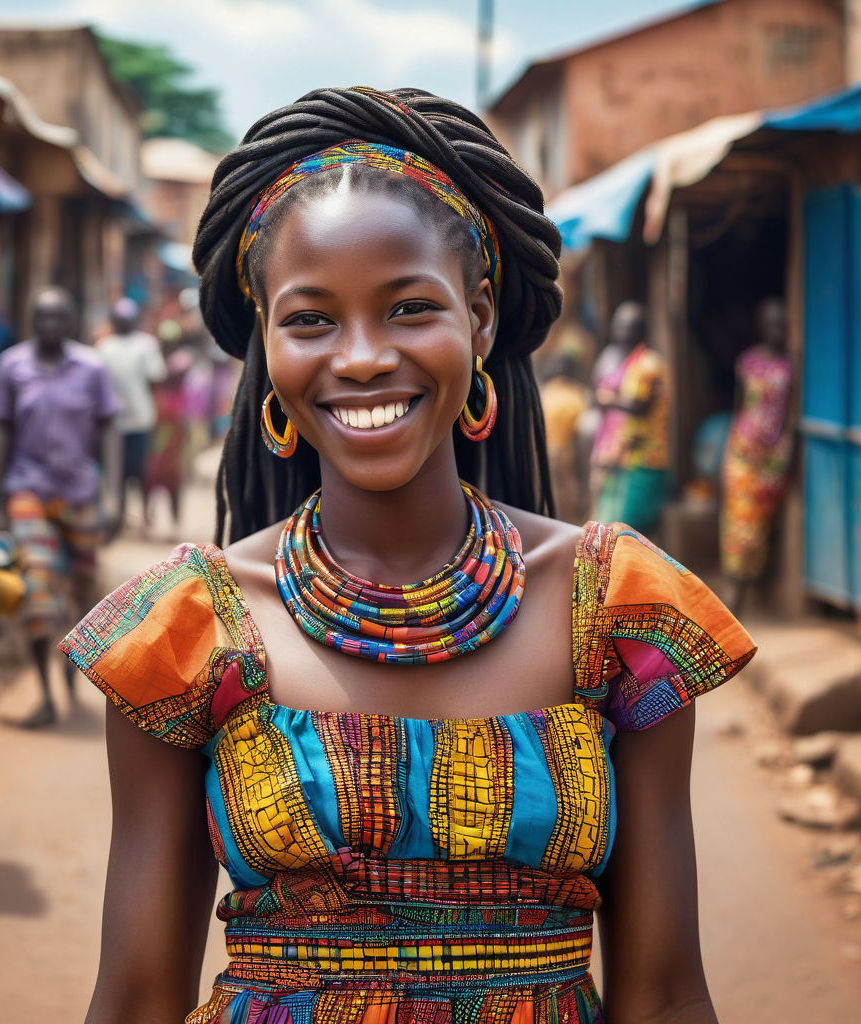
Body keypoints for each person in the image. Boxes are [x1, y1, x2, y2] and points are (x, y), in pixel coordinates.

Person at [60, 88, 756, 1024]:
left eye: (409, 308)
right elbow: (138, 998)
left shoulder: (614, 609)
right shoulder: (188, 632)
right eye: (310, 320)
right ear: (264, 347)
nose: (360, 358)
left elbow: (666, 995)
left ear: (479, 320)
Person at [0, 286, 120, 729]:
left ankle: (69, 676)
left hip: (79, 492)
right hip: (28, 490)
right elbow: (0, 430)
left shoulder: (92, 368)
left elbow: (109, 431)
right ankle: (45, 694)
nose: (49, 327)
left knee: (83, 589)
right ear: (32, 322)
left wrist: (113, 494)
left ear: (70, 322)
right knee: (37, 592)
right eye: (41, 319)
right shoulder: (11, 366)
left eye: (57, 318)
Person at [720, 297, 794, 614]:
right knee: (738, 522)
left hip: (772, 457)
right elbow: (739, 409)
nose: (778, 330)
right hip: (742, 452)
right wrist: (727, 451)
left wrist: (788, 451)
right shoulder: (747, 361)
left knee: (756, 526)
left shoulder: (790, 366)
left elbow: (792, 414)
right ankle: (735, 593)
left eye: (782, 324)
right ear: (761, 326)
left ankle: (743, 593)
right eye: (772, 323)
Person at [591, 301, 670, 533]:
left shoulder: (648, 365)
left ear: (641, 331)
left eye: (630, 326)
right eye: (620, 325)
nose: (623, 332)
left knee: (629, 527)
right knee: (611, 523)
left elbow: (640, 406)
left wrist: (608, 400)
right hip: (621, 456)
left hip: (645, 457)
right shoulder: (615, 359)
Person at [96, 297, 167, 536]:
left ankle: (146, 515)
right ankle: (121, 517)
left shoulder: (145, 345)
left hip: (141, 419)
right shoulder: (104, 347)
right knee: (119, 470)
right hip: (114, 422)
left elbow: (155, 377)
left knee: (143, 470)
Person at [540, 351, 591, 524]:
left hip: (550, 449)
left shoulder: (546, 392)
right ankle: (568, 522)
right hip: (566, 449)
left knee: (555, 488)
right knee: (568, 487)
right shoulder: (576, 393)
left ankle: (559, 520)